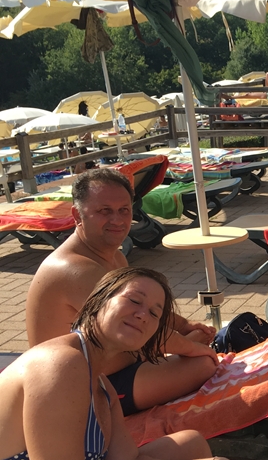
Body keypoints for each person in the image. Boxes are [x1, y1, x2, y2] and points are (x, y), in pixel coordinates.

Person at [0, 266, 249, 460]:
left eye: (155, 313)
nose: (143, 315)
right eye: (134, 300)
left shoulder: (101, 384)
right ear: (98, 301)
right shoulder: (60, 365)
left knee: (193, 446)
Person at [26, 169, 219, 417]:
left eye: (124, 210)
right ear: (77, 215)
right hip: (77, 389)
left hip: (116, 368)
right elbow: (147, 333)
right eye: (104, 211)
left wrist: (185, 326)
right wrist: (190, 347)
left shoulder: (114, 257)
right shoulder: (73, 268)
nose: (117, 220)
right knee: (202, 364)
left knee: (196, 350)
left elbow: (143, 309)